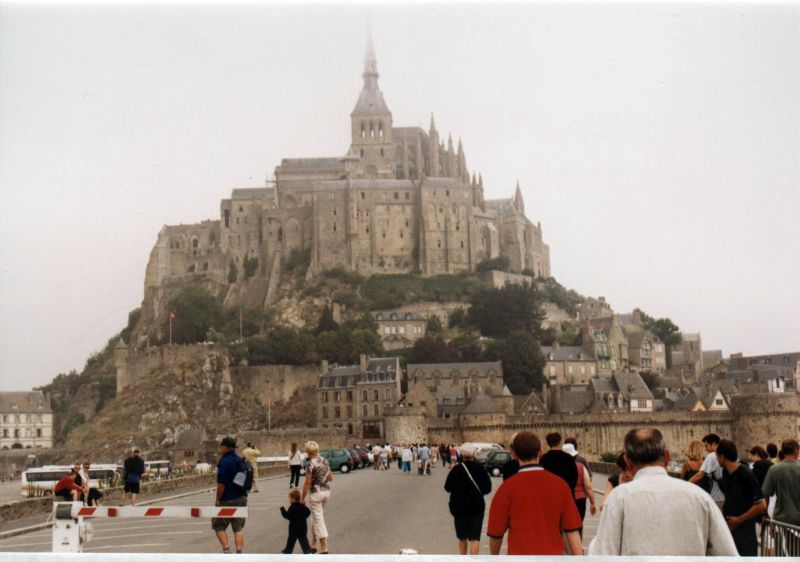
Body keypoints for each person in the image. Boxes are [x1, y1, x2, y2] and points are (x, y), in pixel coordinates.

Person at [589, 428, 737, 556]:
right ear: (667, 457)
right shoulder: (701, 498)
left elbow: (603, 554)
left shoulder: (618, 497)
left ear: (627, 461)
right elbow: (728, 555)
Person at [487, 431, 582, 555]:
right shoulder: (561, 485)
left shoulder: (506, 489)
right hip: (552, 556)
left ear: (514, 454)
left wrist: (494, 557)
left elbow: (496, 534)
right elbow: (572, 531)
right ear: (540, 453)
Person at [716, 439, 766, 556]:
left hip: (745, 534)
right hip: (732, 532)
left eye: (717, 456)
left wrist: (739, 520)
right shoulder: (725, 472)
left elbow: (761, 505)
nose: (716, 459)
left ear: (722, 457)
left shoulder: (746, 474)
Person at [443, 444, 492, 555]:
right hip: (476, 507)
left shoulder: (456, 469)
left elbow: (447, 487)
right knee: (475, 538)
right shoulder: (480, 468)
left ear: (461, 455)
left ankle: (463, 559)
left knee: (462, 537)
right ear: (474, 454)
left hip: (459, 507)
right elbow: (487, 488)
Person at [213, 437, 248, 554]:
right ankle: (239, 552)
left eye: (221, 446)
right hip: (241, 497)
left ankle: (226, 549)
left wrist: (218, 499)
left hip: (227, 499)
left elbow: (221, 484)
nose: (220, 448)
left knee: (218, 525)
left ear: (225, 447)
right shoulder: (240, 460)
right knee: (238, 528)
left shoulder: (224, 462)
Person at [301, 440, 332, 554]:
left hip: (316, 494)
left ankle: (324, 547)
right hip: (326, 491)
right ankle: (313, 543)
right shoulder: (325, 460)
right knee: (315, 517)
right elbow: (331, 478)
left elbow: (307, 483)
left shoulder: (310, 464)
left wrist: (302, 498)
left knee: (318, 518)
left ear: (307, 451)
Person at [761, 438, 800, 527]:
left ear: (783, 451)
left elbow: (765, 494)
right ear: (796, 450)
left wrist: (765, 514)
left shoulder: (774, 469)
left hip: (782, 521)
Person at [563, 442, 596, 534]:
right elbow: (588, 486)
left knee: (565, 526)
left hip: (564, 500)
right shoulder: (580, 466)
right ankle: (579, 541)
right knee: (578, 524)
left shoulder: (557, 468)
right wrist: (592, 502)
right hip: (579, 499)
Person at [689, 433, 725, 507]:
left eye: (706, 446)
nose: (705, 449)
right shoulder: (726, 454)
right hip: (728, 495)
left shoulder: (712, 456)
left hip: (718, 497)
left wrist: (686, 483)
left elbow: (700, 474)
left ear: (713, 444)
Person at [280, 489, 313, 554]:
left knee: (291, 540)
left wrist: (282, 510)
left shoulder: (292, 507)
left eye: (289, 498)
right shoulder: (302, 506)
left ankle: (288, 550)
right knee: (303, 539)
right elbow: (308, 512)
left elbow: (288, 516)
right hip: (303, 527)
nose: (289, 500)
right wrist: (303, 516)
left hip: (294, 528)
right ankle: (307, 550)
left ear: (293, 498)